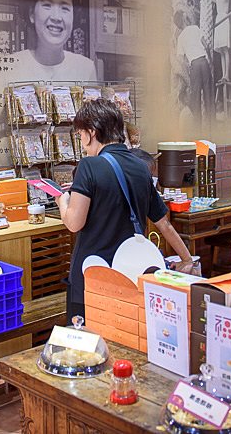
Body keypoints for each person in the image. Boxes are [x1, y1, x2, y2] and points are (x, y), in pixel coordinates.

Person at [56, 99, 195, 322]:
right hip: (131, 273)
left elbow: (74, 223)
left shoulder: (88, 166)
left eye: (80, 134)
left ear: (92, 132)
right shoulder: (141, 167)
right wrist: (187, 259)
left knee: (89, 345)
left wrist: (63, 200)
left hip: (93, 274)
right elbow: (164, 224)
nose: (82, 142)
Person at [7, 0, 97, 82]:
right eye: (47, 5)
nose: (56, 17)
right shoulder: (8, 69)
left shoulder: (85, 69)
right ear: (31, 14)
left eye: (65, 8)